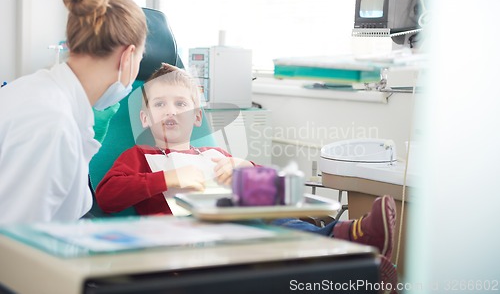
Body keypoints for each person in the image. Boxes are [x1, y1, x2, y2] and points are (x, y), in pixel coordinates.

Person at [96, 64, 398, 290]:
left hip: (243, 229)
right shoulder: (139, 157)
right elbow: (108, 197)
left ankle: (354, 243)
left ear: (197, 116)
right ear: (145, 118)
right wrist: (168, 179)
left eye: (180, 104)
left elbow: (278, 191)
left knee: (280, 224)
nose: (170, 112)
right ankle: (354, 253)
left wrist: (244, 168)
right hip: (186, 243)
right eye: (160, 104)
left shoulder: (215, 155)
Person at [0, 0, 147, 225]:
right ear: (128, 55)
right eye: (140, 57)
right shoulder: (51, 120)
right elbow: (17, 242)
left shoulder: (37, 91)